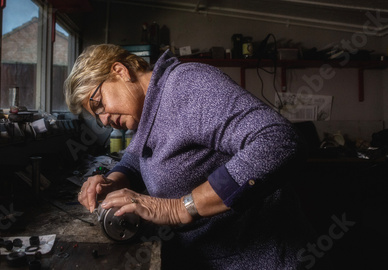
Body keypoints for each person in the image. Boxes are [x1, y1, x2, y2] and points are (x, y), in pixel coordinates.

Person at [64, 44, 313, 269]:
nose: (104, 119)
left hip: (254, 258)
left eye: (99, 105)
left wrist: (180, 208)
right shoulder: (146, 112)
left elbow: (278, 140)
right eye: (96, 116)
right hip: (206, 255)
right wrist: (112, 180)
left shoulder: (187, 85)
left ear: (120, 71)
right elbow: (136, 160)